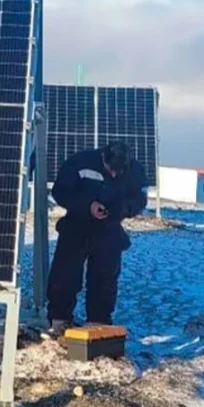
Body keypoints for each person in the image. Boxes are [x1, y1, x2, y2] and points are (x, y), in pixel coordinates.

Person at [43, 141, 149, 337]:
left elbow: (139, 199)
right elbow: (61, 192)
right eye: (111, 169)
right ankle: (59, 320)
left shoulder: (134, 170)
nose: (114, 174)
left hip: (109, 229)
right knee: (65, 275)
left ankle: (98, 323)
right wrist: (87, 206)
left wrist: (119, 209)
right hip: (76, 226)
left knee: (105, 278)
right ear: (104, 158)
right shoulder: (80, 162)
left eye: (119, 171)